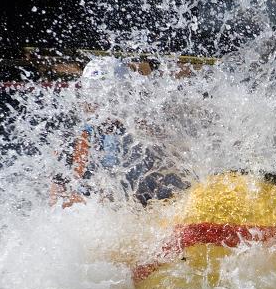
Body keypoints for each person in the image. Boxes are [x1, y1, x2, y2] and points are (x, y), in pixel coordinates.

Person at [50, 57, 189, 208]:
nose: (98, 106)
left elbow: (180, 176)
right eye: (93, 97)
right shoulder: (74, 140)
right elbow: (57, 201)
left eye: (108, 99)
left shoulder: (145, 132)